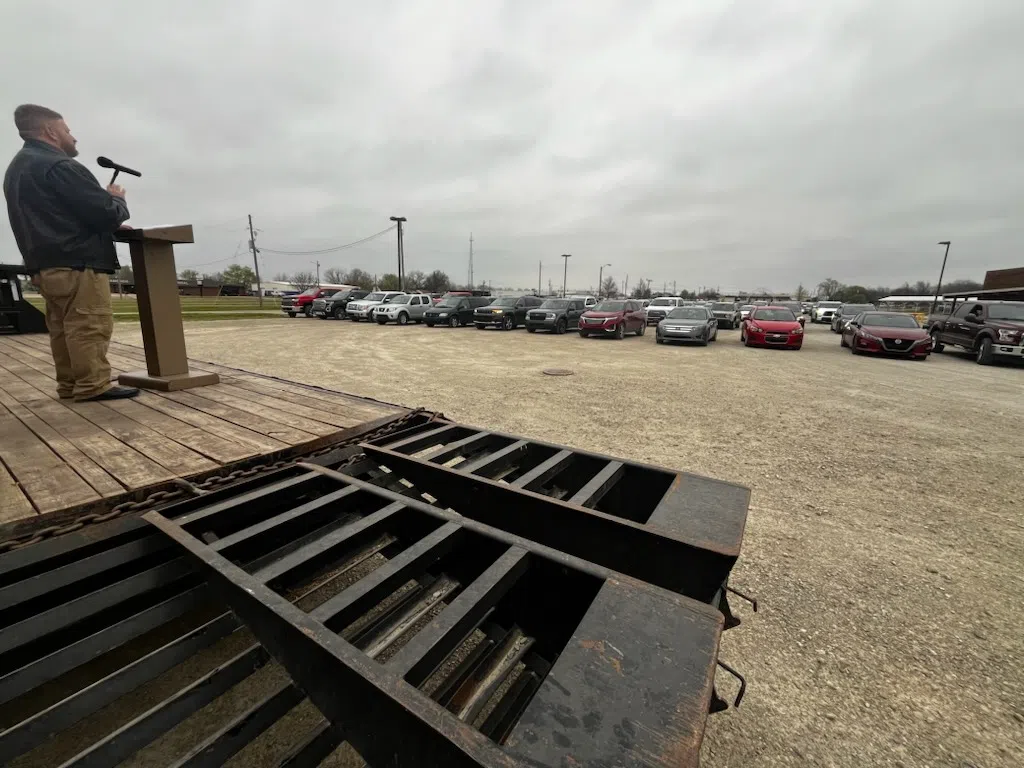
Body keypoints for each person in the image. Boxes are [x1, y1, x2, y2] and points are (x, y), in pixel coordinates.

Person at [4, 104, 138, 401]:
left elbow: (57, 215)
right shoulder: (60, 166)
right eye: (67, 130)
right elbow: (104, 213)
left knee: (63, 329)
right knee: (89, 325)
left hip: (46, 265)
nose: (73, 137)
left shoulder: (19, 167)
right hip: (78, 264)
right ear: (51, 132)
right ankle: (93, 386)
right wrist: (116, 201)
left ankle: (70, 385)